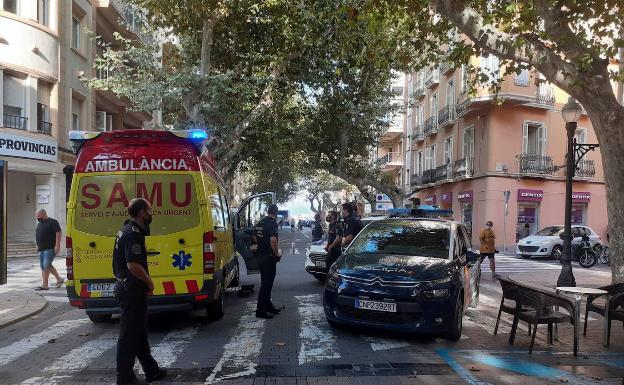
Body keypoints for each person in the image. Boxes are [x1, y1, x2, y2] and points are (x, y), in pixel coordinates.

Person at [112, 198, 167, 385]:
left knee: (139, 332)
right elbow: (133, 265)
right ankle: (124, 377)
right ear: (142, 212)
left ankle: (151, 370)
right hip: (130, 290)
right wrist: (150, 283)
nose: (152, 213)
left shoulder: (129, 229)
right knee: (128, 335)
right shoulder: (132, 233)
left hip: (131, 288)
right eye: (150, 210)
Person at [253, 204, 283, 319]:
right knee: (266, 284)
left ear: (268, 211)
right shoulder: (272, 223)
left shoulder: (260, 222)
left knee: (266, 283)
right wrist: (276, 253)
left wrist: (261, 244)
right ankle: (260, 311)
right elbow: (273, 240)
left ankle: (269, 306)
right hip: (268, 257)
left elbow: (254, 236)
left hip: (260, 256)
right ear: (276, 213)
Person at [35, 209, 64, 290]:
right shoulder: (40, 224)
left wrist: (57, 245)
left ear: (44, 214)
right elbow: (38, 234)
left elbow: (58, 233)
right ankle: (54, 281)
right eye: (36, 217)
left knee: (46, 265)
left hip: (50, 248)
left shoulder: (53, 222)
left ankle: (51, 282)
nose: (38, 218)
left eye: (39, 216)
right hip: (41, 249)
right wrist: (37, 245)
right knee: (44, 266)